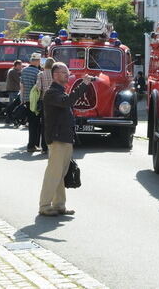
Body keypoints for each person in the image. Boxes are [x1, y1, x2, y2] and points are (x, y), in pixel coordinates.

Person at [39, 62, 93, 216]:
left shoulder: (60, 91)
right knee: (53, 173)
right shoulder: (51, 93)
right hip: (57, 139)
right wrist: (84, 85)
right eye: (64, 72)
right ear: (55, 75)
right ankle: (44, 205)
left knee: (60, 174)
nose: (67, 75)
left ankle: (59, 205)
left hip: (64, 138)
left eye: (67, 72)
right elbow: (68, 101)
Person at [31, 58, 54, 153]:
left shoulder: (40, 74)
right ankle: (52, 146)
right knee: (53, 124)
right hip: (54, 101)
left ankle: (44, 147)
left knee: (44, 125)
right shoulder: (55, 74)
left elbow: (38, 87)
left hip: (44, 101)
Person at [21, 52, 43, 152]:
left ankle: (32, 144)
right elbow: (38, 88)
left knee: (31, 123)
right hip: (35, 100)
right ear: (37, 61)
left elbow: (21, 86)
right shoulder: (38, 73)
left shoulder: (24, 70)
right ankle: (32, 145)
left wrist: (22, 99)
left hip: (26, 100)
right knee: (36, 123)